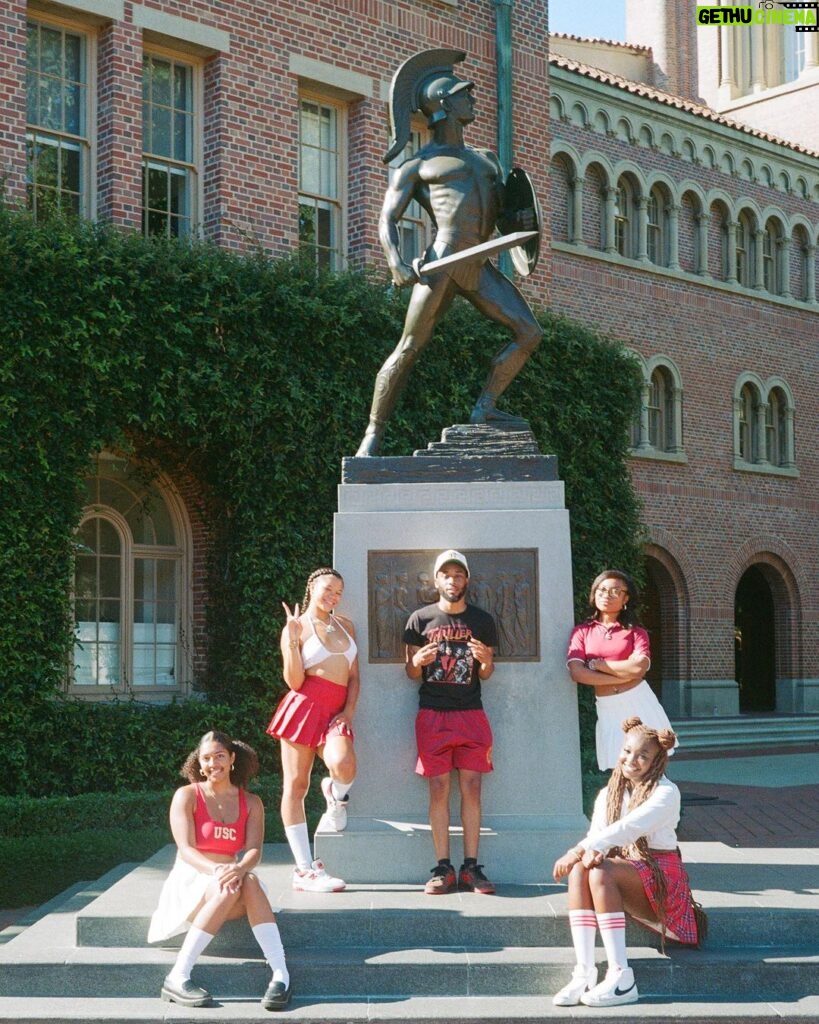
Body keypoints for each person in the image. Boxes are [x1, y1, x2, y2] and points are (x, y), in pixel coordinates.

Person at [355, 50, 542, 456]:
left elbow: (510, 216)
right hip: (441, 263)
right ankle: (372, 434)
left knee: (529, 333)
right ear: (443, 106)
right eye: (463, 95)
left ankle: (485, 409)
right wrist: (396, 263)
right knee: (408, 347)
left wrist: (523, 220)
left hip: (480, 262)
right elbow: (387, 219)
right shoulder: (418, 165)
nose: (472, 99)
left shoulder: (487, 160)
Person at [551, 717, 703, 1008]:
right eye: (627, 751)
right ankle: (584, 971)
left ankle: (622, 975)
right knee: (581, 870)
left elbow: (629, 828)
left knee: (599, 873)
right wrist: (587, 852)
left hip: (661, 877)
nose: (631, 760)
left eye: (643, 756)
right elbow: (599, 835)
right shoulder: (609, 793)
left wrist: (579, 849)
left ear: (657, 761)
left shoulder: (666, 793)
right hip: (627, 871)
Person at [148, 730, 290, 1011]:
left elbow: (254, 852)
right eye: (207, 758)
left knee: (247, 880)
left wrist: (236, 868)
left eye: (220, 756)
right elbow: (186, 850)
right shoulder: (186, 795)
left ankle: (280, 976)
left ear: (232, 758)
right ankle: (178, 975)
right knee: (232, 882)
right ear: (198, 764)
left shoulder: (251, 802)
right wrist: (218, 870)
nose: (214, 763)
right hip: (192, 880)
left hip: (230, 879)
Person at [404, 549, 499, 895]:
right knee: (439, 788)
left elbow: (486, 673)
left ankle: (471, 867)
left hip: (471, 712)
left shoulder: (483, 621)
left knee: (473, 787)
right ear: (436, 580)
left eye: (458, 575)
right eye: (446, 575)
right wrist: (417, 659)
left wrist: (486, 660)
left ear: (466, 581)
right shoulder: (419, 620)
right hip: (433, 713)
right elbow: (411, 672)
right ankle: (443, 866)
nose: (452, 580)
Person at [266, 567, 359, 892]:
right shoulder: (296, 627)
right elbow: (293, 681)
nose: (333, 596)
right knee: (296, 785)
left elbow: (353, 677)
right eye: (327, 589)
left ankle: (336, 793)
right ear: (312, 588)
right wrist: (292, 641)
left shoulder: (346, 625)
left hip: (335, 713)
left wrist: (347, 712)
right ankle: (304, 869)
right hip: (304, 708)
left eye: (338, 592)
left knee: (344, 764)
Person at [567, 569, 676, 771]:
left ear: (626, 597)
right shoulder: (582, 632)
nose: (606, 595)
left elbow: (639, 667)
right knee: (618, 767)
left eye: (615, 591)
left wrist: (598, 665)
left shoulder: (636, 632)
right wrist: (623, 676)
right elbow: (577, 673)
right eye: (601, 590)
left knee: (649, 766)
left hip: (639, 701)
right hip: (608, 706)